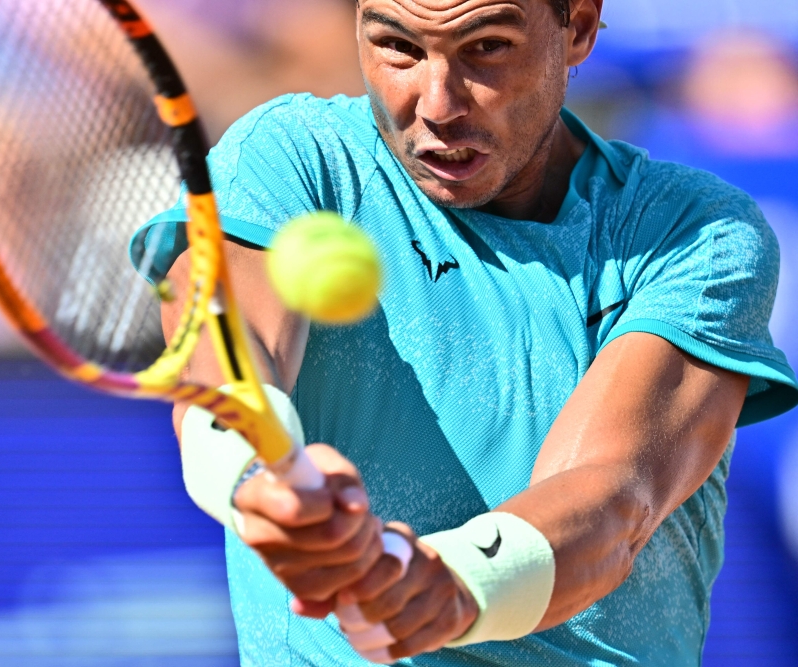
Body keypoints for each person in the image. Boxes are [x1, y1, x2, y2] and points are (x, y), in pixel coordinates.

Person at [132, 0, 798, 664]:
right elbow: (225, 363)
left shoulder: (695, 231)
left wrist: (452, 585)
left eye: (487, 48)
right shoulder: (288, 159)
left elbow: (613, 497)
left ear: (580, 30)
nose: (437, 104)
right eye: (398, 46)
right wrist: (255, 479)